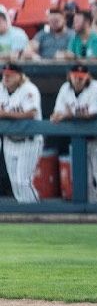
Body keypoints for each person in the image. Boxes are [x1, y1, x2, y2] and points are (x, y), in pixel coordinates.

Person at [51, 64, 97, 204]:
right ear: (70, 76)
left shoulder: (96, 86)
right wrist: (59, 115)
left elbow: (94, 115)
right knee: (84, 179)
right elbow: (57, 113)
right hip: (79, 141)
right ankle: (90, 214)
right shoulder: (65, 88)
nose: (78, 80)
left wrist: (68, 115)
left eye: (81, 77)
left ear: (87, 77)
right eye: (75, 77)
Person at [0, 63, 43, 203]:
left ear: (19, 76)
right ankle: (26, 218)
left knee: (23, 181)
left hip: (28, 141)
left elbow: (31, 113)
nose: (6, 77)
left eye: (10, 75)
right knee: (15, 184)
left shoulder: (29, 89)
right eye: (4, 74)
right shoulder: (1, 88)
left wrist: (4, 114)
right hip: (9, 141)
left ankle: (37, 214)